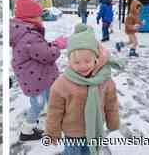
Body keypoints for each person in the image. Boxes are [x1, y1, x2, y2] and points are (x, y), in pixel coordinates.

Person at [46, 24, 123, 155]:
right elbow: (54, 110)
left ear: (96, 59)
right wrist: (53, 132)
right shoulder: (62, 84)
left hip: (94, 129)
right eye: (76, 62)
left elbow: (111, 103)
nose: (82, 66)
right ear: (69, 61)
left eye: (87, 61)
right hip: (72, 133)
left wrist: (113, 121)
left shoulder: (104, 80)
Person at [10, 0, 67, 141]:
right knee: (37, 105)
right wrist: (57, 45)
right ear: (30, 18)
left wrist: (51, 44)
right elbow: (48, 55)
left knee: (49, 98)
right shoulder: (29, 36)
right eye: (39, 16)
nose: (41, 19)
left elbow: (39, 50)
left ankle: (55, 119)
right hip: (36, 80)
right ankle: (27, 130)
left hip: (38, 77)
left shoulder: (25, 32)